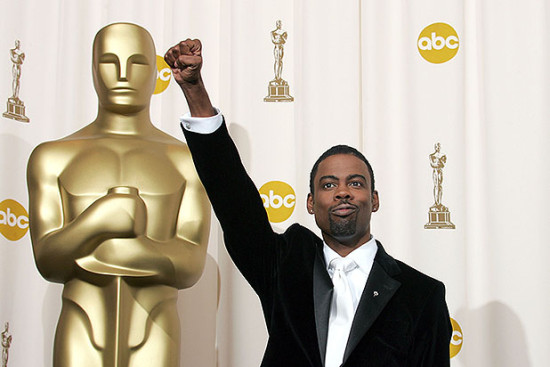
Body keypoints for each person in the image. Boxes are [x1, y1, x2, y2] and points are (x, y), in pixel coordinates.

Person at [165, 39, 452, 367]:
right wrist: (194, 88)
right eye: (328, 185)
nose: (342, 192)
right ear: (311, 203)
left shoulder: (421, 294)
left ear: (374, 200)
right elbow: (233, 199)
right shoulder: (286, 267)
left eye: (355, 183)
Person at [27, 24, 210, 367]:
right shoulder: (52, 156)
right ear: (94, 69)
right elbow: (48, 260)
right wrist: (100, 220)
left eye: (137, 63)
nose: (123, 75)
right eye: (110, 62)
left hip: (155, 325)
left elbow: (189, 267)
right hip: (81, 321)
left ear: (155, 72)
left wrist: (102, 249)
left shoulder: (186, 160)